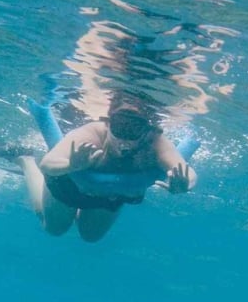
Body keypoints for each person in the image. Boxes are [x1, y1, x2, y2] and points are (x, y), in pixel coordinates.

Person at [18, 90, 196, 242]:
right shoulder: (93, 132)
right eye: (120, 126)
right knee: (55, 230)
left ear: (146, 130)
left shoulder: (155, 142)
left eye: (134, 128)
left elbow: (186, 172)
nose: (124, 138)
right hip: (68, 185)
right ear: (108, 122)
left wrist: (184, 184)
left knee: (91, 237)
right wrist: (71, 164)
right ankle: (25, 160)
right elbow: (48, 163)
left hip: (110, 196)